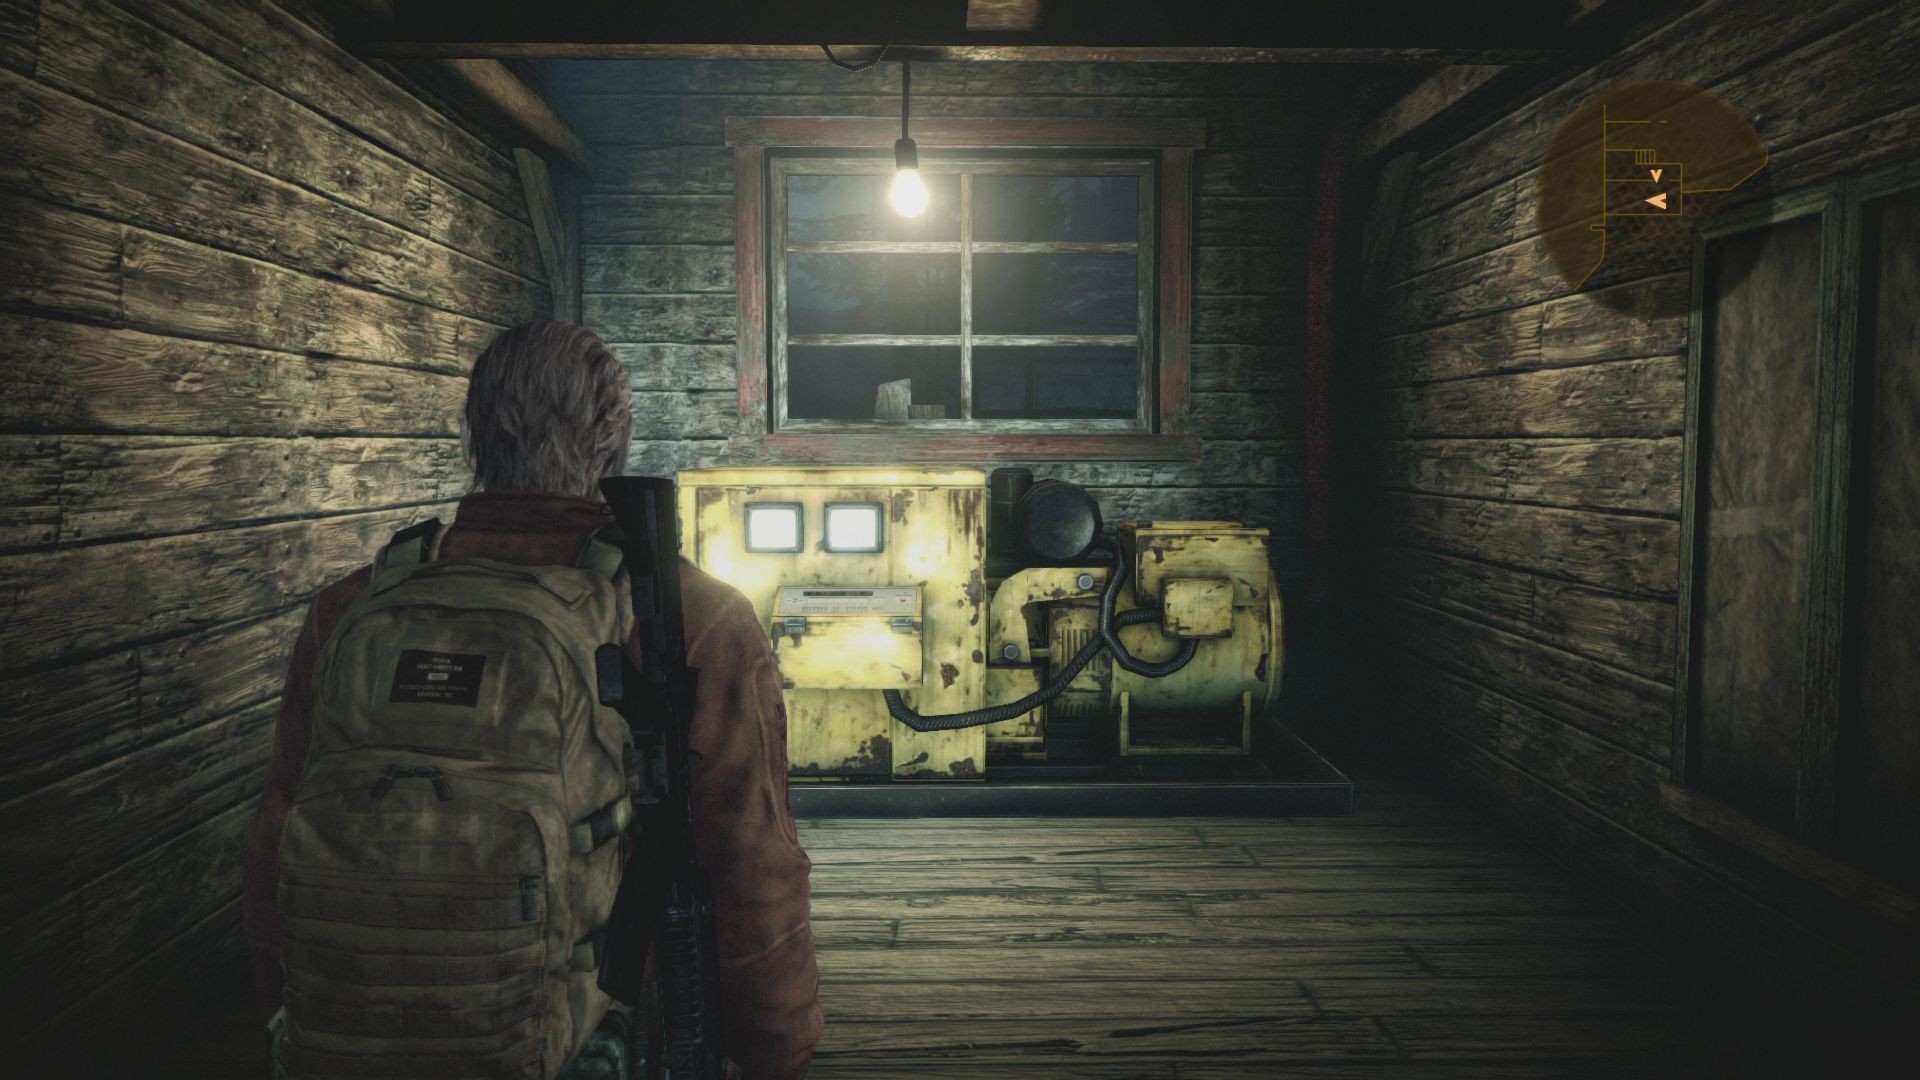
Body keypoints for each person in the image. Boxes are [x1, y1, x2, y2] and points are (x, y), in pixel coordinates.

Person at [242, 320, 822, 1078]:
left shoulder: (352, 606)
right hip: (588, 1039)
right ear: (613, 446)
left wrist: (299, 1015)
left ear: (471, 440)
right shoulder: (690, 617)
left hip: (345, 1034)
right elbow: (749, 870)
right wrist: (777, 1051)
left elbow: (277, 840)